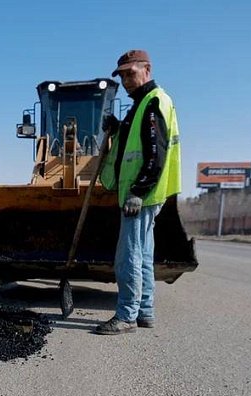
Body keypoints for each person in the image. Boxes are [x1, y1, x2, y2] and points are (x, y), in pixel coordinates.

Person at [95, 49, 184, 335]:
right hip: (145, 195)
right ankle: (145, 311)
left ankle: (126, 316)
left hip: (140, 197)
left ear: (146, 69)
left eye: (130, 74)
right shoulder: (143, 103)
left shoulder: (152, 102)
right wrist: (118, 127)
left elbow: (155, 153)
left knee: (128, 257)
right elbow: (139, 141)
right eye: (121, 76)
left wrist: (138, 190)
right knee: (143, 255)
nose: (125, 81)